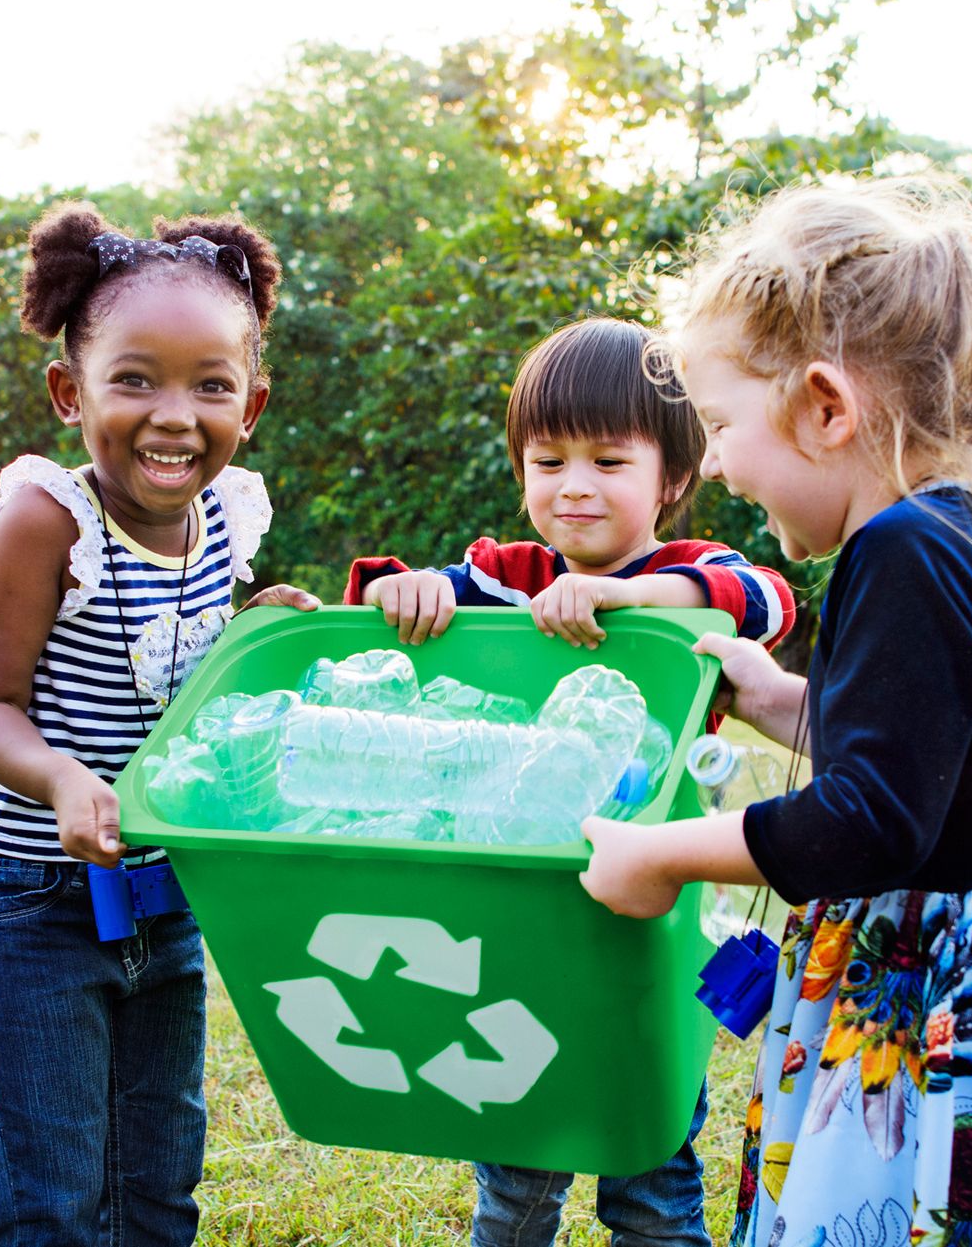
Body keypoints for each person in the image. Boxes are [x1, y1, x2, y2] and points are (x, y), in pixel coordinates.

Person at [579, 175, 972, 1245]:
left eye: (719, 425)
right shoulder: (962, 526)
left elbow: (873, 820)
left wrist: (660, 855)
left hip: (946, 1000)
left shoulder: (901, 549)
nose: (719, 464)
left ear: (826, 407)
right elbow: (937, 763)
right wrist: (781, 698)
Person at [347, 316, 796, 1247]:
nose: (574, 486)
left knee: (651, 1168)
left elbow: (761, 598)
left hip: (649, 925)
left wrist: (622, 594)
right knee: (516, 1153)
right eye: (547, 461)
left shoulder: (686, 574)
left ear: (671, 477)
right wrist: (406, 591)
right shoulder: (507, 579)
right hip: (516, 917)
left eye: (607, 460)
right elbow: (396, 603)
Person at [0, 201, 317, 1246]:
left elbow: (175, 677)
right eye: (134, 378)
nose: (172, 414)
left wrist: (252, 633)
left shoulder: (225, 517)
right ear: (72, 392)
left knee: (160, 1176)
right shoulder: (45, 519)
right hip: (31, 902)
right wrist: (62, 780)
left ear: (252, 403)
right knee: (55, 1198)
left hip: (163, 896)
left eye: (211, 384)